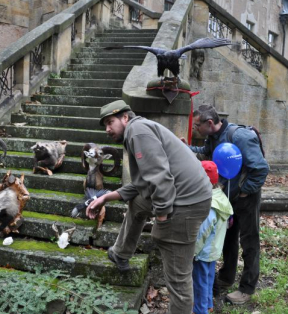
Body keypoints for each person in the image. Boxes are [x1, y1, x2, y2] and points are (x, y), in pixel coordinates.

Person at [86, 100, 212, 314]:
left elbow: (159, 177)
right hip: (184, 195)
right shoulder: (138, 130)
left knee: (178, 279)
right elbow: (142, 184)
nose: (107, 129)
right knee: (138, 202)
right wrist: (106, 198)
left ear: (125, 117)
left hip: (186, 203)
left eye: (110, 122)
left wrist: (162, 216)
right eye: (105, 125)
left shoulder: (137, 131)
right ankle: (121, 253)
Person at [184, 104, 269, 305]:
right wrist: (184, 148)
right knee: (228, 237)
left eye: (197, 125)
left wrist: (244, 191)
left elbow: (261, 169)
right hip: (227, 197)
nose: (195, 129)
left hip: (246, 198)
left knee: (250, 241)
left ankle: (247, 288)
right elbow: (205, 153)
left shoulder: (240, 137)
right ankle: (226, 277)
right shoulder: (212, 137)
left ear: (210, 123)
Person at [193, 161, 233, 314]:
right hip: (214, 249)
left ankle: (200, 310)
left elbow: (203, 232)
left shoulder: (210, 205)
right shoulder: (221, 197)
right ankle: (208, 304)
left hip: (203, 252)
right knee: (208, 279)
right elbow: (229, 221)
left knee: (200, 283)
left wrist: (194, 251)